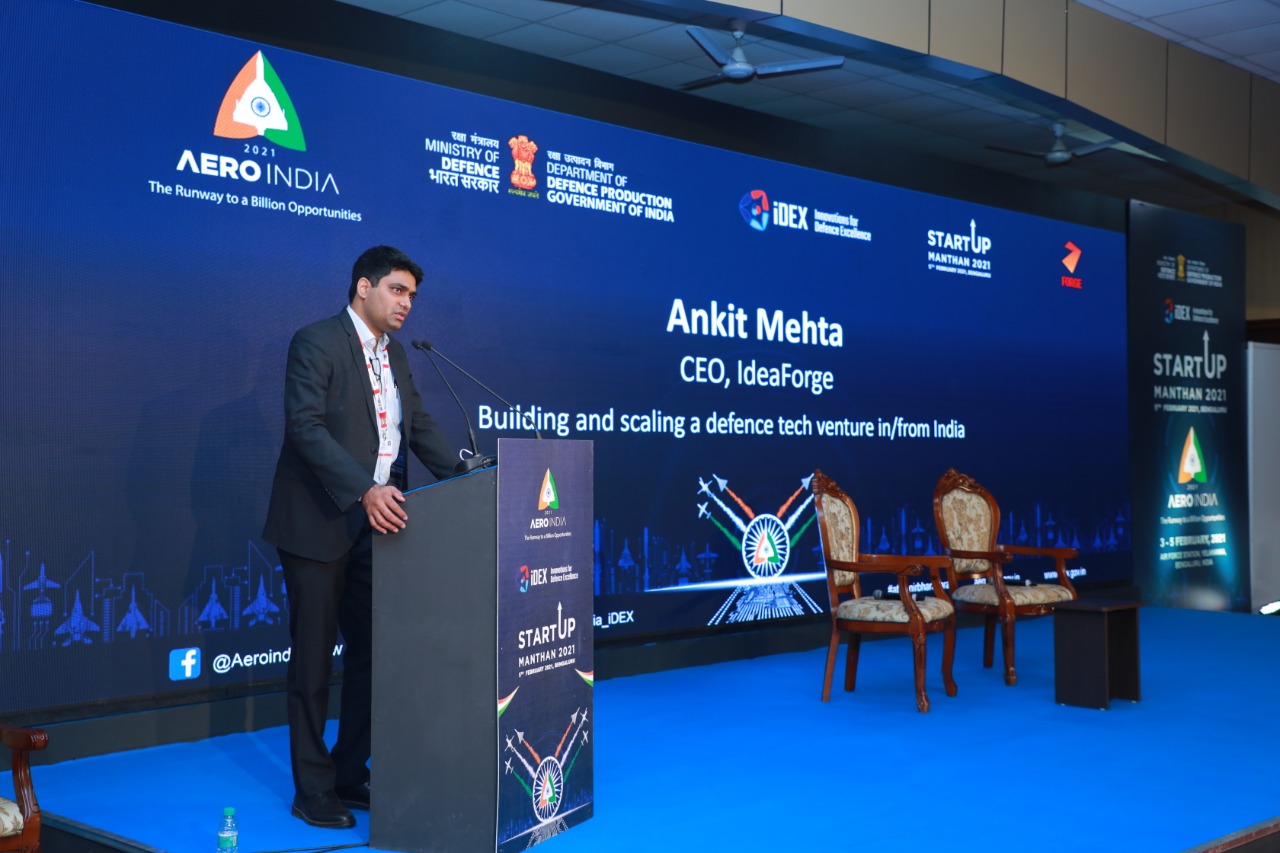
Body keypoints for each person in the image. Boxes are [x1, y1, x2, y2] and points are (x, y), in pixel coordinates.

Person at [263, 245, 458, 828]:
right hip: (318, 523)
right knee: (313, 662)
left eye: (412, 296)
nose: (406, 304)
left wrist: (465, 476)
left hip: (379, 526)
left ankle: (350, 772)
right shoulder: (316, 341)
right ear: (363, 287)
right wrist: (363, 489)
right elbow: (305, 427)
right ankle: (312, 789)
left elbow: (415, 425)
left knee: (376, 654)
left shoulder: (395, 354)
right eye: (397, 290)